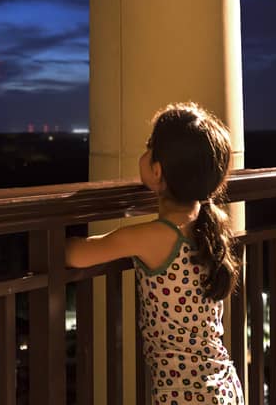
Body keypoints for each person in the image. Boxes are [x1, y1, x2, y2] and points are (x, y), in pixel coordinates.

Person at [66, 102, 244, 404]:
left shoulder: (155, 236)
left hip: (185, 397)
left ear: (158, 171)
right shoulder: (206, 226)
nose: (145, 153)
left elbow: (75, 255)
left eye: (150, 148)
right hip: (223, 385)